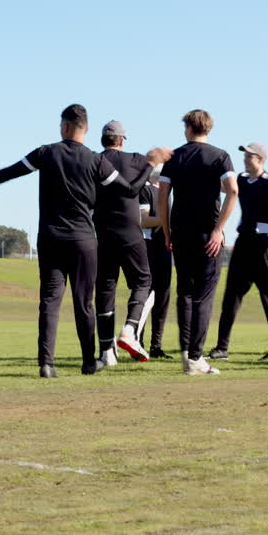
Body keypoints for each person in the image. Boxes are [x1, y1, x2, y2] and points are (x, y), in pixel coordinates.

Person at [0, 105, 169, 377]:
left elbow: (14, 171)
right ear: (85, 130)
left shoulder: (46, 153)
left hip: (50, 238)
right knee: (83, 302)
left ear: (64, 127)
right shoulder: (96, 161)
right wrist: (149, 164)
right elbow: (132, 189)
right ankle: (89, 361)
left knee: (50, 301)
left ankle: (46, 363)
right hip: (83, 241)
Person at [158, 109, 238, 376]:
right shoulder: (220, 156)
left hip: (180, 233)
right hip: (208, 236)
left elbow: (163, 196)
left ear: (188, 128)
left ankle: (186, 354)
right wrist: (219, 230)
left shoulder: (174, 157)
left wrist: (167, 232)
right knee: (204, 296)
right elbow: (233, 191)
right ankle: (195, 358)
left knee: (185, 293)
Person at [209, 142, 268, 362]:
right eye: (244, 156)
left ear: (261, 159)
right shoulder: (242, 180)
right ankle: (221, 348)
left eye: (250, 156)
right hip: (242, 243)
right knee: (231, 297)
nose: (245, 159)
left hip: (261, 246)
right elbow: (223, 187)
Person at [93, 120, 155, 365]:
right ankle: (130, 330)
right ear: (121, 140)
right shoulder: (136, 160)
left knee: (106, 288)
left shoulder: (94, 161)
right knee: (143, 281)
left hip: (102, 234)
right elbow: (154, 175)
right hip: (130, 233)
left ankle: (107, 351)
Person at [137, 168, 174, 359]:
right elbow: (142, 220)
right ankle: (138, 342)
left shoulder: (166, 193)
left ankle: (156, 346)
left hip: (165, 249)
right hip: (149, 248)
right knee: (145, 297)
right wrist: (167, 221)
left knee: (163, 298)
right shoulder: (145, 189)